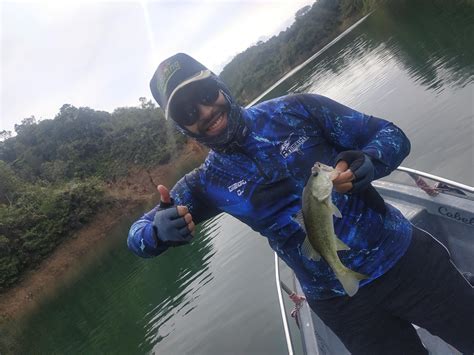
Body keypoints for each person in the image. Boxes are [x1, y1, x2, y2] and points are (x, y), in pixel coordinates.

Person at [127, 53, 474, 354]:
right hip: (341, 305)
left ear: (220, 85)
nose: (205, 111)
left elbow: (390, 135)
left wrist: (370, 161)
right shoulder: (205, 184)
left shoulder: (297, 110)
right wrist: (156, 234)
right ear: (183, 128)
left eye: (204, 94)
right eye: (188, 111)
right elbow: (138, 234)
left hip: (403, 261)